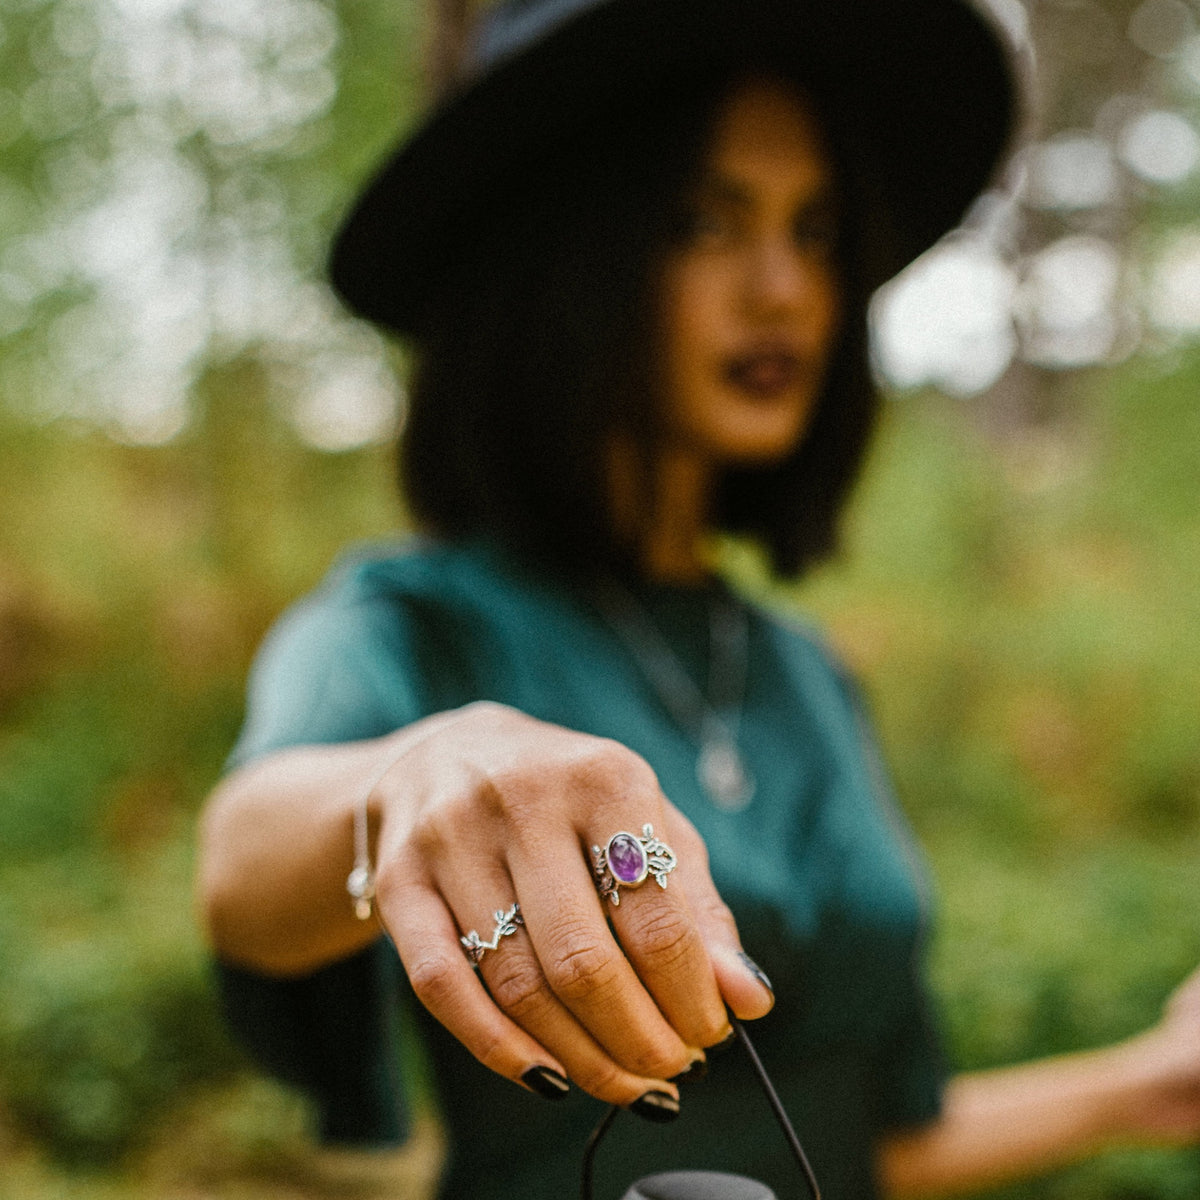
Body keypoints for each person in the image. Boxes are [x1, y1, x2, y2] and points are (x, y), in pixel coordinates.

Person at [197, 1, 1200, 1198]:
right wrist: (409, 772)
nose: (784, 288)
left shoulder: (802, 671)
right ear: (569, 247)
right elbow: (243, 868)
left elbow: (873, 1138)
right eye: (705, 223)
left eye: (816, 232)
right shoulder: (409, 622)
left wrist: (1152, 1086)